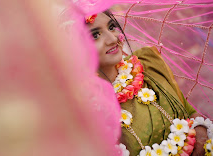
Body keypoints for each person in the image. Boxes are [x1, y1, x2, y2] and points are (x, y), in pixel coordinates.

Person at [85, 10, 212, 156]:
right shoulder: (88, 107)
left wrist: (202, 131)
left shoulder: (148, 62)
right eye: (95, 35)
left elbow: (189, 111)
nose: (112, 39)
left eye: (111, 27)